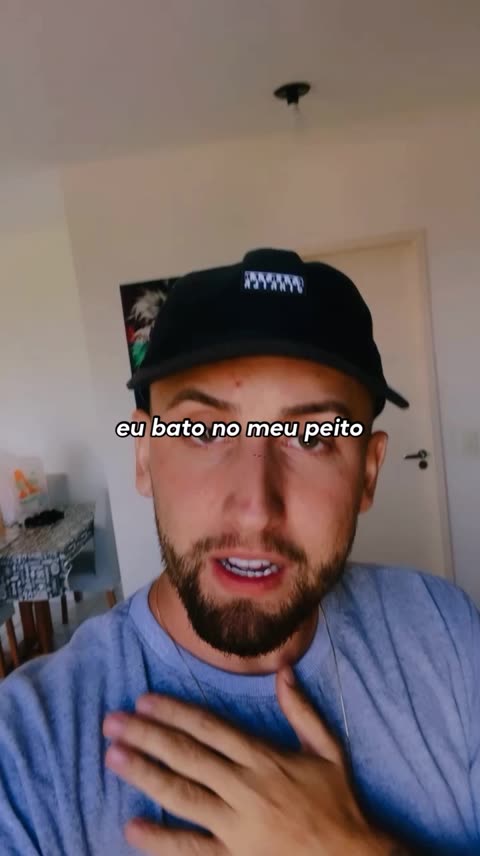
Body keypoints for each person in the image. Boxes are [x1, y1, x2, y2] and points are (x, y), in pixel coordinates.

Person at [0, 248, 478, 856]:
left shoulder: (447, 634)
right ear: (144, 458)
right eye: (201, 431)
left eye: (313, 437)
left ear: (368, 471)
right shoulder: (25, 750)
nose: (255, 507)